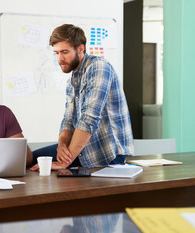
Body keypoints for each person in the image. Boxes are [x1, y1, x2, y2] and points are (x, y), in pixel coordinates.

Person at [30, 24, 133, 171]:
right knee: (32, 160)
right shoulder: (72, 80)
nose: (60, 58)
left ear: (80, 48)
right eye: (56, 53)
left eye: (64, 52)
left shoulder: (98, 67)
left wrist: (64, 162)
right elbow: (67, 121)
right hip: (84, 148)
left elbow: (89, 118)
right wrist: (62, 145)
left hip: (107, 152)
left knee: (46, 168)